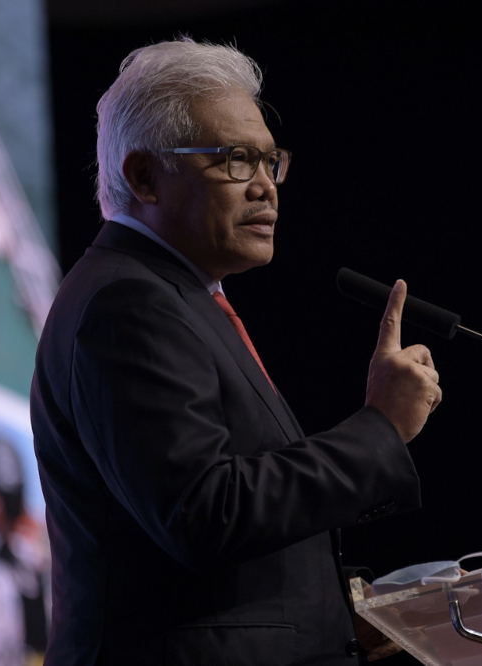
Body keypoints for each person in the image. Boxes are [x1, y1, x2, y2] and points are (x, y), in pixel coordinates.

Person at [30, 38, 441, 666]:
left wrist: (341, 614)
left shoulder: (175, 296)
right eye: (235, 160)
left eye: (270, 161)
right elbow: (204, 512)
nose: (265, 189)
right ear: (143, 176)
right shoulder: (128, 305)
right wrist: (380, 428)